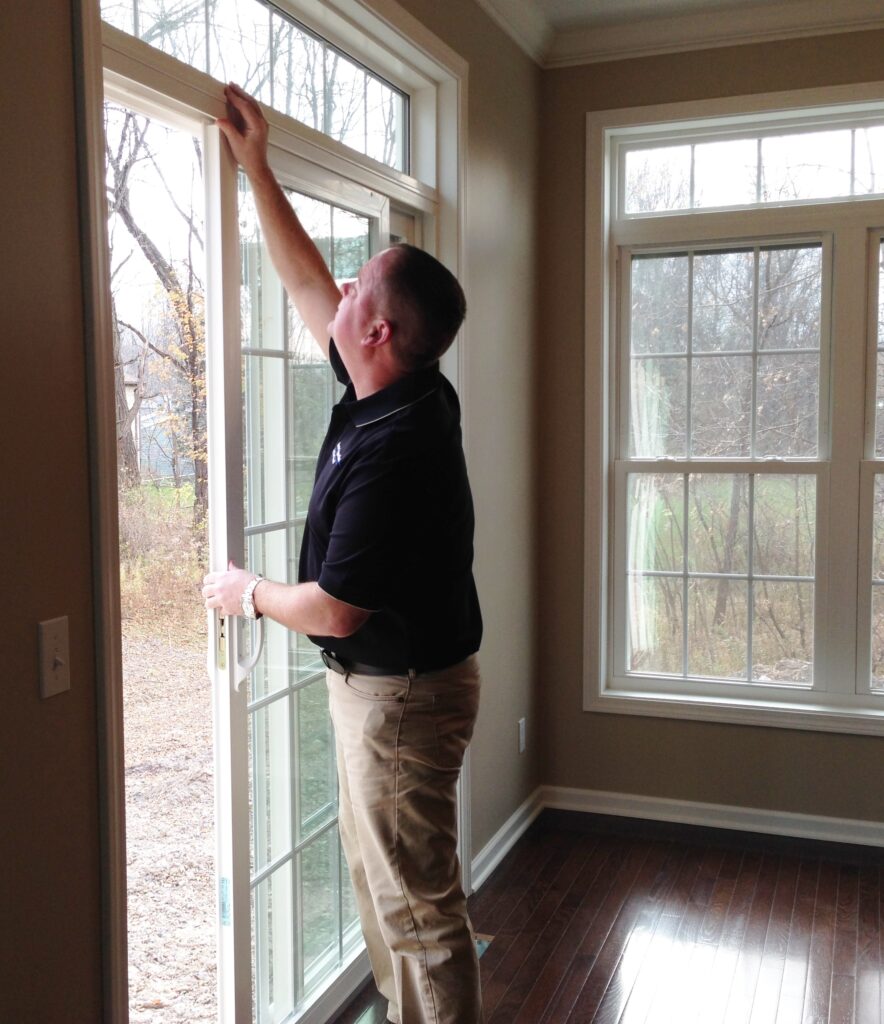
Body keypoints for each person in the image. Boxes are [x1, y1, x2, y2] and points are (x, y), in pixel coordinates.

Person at [202, 83, 484, 1024]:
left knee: (419, 913)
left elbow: (334, 610)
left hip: (402, 696)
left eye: (366, 280)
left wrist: (245, 593)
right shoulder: (396, 383)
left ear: (379, 334)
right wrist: (257, 167)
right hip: (394, 686)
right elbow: (305, 285)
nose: (349, 282)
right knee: (388, 897)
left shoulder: (397, 447)